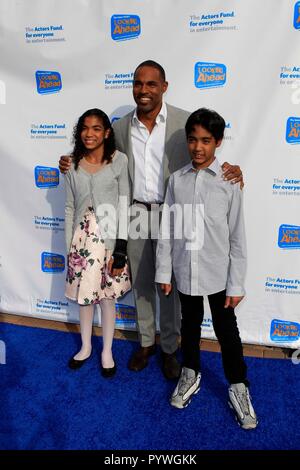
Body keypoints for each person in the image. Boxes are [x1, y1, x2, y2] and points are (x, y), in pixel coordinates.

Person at [59, 60, 243, 380]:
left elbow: (204, 150)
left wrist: (233, 170)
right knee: (143, 280)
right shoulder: (118, 128)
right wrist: (70, 160)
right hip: (135, 213)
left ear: (164, 87)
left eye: (151, 84)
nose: (143, 90)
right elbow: (98, 156)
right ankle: (146, 342)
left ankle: (171, 347)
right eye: (138, 83)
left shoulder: (184, 121)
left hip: (174, 213)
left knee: (168, 284)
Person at [155, 108, 257, 430]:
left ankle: (238, 385)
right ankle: (191, 372)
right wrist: (163, 272)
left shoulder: (229, 183)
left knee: (228, 332)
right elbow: (168, 230)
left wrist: (236, 284)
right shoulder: (177, 181)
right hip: (186, 272)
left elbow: (237, 236)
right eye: (192, 140)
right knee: (190, 327)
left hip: (218, 274)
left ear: (218, 142)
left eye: (206, 141)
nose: (198, 147)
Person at [64, 108, 131, 378]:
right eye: (84, 128)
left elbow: (124, 205)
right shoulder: (71, 164)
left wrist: (121, 249)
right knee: (84, 297)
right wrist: (69, 245)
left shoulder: (119, 161)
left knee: (107, 297)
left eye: (95, 128)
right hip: (81, 242)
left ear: (106, 132)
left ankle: (107, 351)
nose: (89, 133)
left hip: (109, 240)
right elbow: (70, 206)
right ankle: (85, 346)